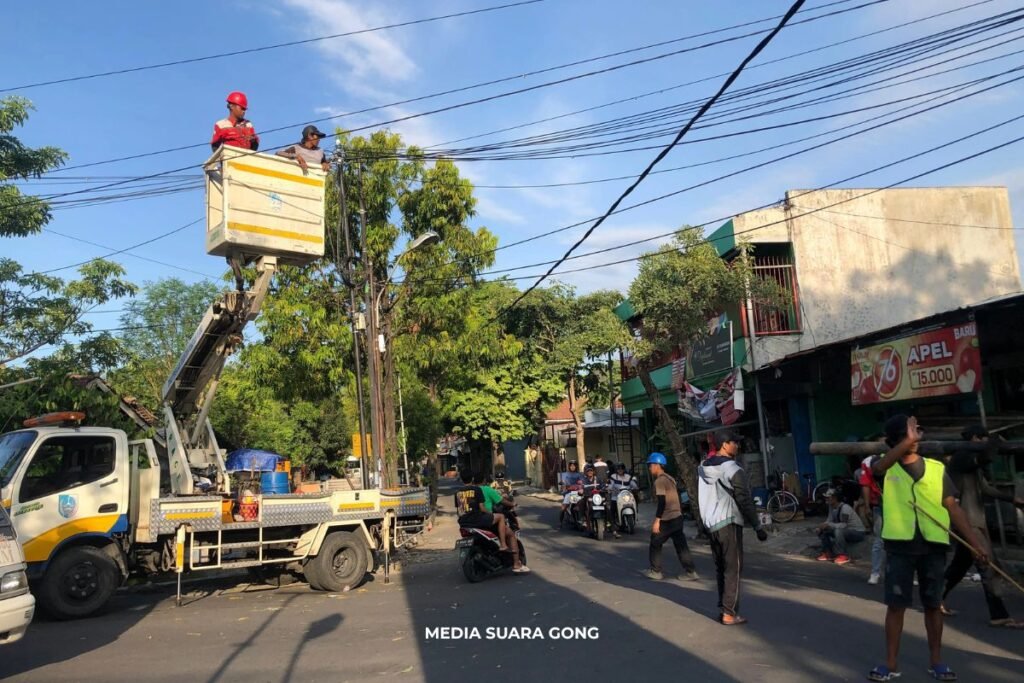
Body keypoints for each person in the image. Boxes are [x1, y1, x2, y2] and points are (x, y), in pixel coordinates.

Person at [867, 415, 988, 683]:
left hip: (933, 547)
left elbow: (953, 507)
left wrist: (976, 543)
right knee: (896, 606)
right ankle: (890, 664)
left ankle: (937, 662)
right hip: (900, 547)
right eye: (909, 433)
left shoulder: (936, 468)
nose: (916, 435)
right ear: (895, 440)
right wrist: (907, 441)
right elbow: (877, 469)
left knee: (933, 605)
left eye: (917, 431)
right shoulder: (885, 466)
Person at [941, 425, 1024, 628]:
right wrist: (996, 441)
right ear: (975, 439)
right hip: (967, 522)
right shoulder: (963, 457)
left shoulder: (970, 465)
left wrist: (1012, 499)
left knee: (960, 565)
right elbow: (985, 457)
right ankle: (999, 614)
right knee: (988, 566)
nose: (985, 443)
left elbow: (985, 488)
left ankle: (935, 598)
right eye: (983, 439)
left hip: (975, 520)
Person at [697, 430, 768, 625]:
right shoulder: (733, 469)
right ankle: (729, 613)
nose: (737, 445)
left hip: (711, 525)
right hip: (728, 522)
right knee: (733, 568)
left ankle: (724, 605)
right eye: (734, 442)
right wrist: (757, 526)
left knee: (721, 567)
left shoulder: (703, 467)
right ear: (724, 445)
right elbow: (744, 500)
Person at [645, 452, 699, 582]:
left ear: (657, 465)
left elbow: (662, 502)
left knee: (655, 542)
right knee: (681, 545)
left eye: (651, 465)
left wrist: (657, 521)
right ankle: (690, 571)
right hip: (677, 517)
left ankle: (656, 571)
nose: (650, 468)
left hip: (667, 519)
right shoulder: (670, 478)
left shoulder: (660, 481)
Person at [816, 488, 866, 565]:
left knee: (838, 531)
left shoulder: (845, 508)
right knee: (823, 531)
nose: (826, 499)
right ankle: (828, 553)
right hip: (845, 530)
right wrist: (822, 526)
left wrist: (829, 525)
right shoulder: (831, 507)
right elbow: (829, 519)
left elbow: (844, 525)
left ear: (835, 498)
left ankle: (842, 555)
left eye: (828, 497)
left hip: (857, 532)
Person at [860, 453, 886, 585]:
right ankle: (875, 572)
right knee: (879, 540)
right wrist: (867, 506)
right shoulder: (867, 464)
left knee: (901, 542)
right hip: (879, 505)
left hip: (897, 507)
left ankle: (906, 575)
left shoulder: (894, 461)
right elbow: (865, 485)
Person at [609, 462, 639, 537]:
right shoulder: (613, 476)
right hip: (616, 497)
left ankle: (635, 513)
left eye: (622, 468)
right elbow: (611, 484)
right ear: (616, 470)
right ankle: (612, 525)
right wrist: (609, 488)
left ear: (624, 469)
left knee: (635, 500)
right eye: (618, 469)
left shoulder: (628, 477)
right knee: (612, 510)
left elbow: (633, 484)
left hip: (626, 496)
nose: (620, 470)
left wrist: (636, 487)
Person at [579, 465, 603, 534]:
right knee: (580, 503)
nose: (590, 472)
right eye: (588, 471)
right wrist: (581, 490)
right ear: (586, 472)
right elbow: (581, 487)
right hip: (588, 497)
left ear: (593, 472)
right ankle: (583, 520)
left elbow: (602, 485)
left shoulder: (597, 479)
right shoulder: (584, 480)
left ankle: (609, 522)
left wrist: (605, 488)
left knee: (607, 507)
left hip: (597, 498)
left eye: (591, 471)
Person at [558, 461, 583, 525]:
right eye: (571, 466)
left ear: (576, 467)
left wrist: (581, 484)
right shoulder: (566, 474)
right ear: (569, 467)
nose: (572, 467)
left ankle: (577, 520)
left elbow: (582, 481)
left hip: (575, 492)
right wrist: (563, 483)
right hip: (568, 492)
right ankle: (560, 522)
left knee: (576, 506)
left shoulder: (578, 474)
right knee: (563, 508)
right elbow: (563, 481)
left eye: (574, 466)